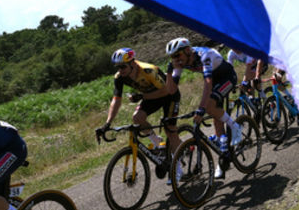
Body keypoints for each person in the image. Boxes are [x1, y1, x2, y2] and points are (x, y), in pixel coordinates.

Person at [165, 38, 241, 169]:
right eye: (172, 57)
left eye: (177, 55)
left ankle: (235, 127)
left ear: (187, 50)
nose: (176, 59)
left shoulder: (204, 55)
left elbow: (208, 84)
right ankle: (223, 157)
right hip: (215, 80)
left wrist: (201, 108)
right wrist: (169, 72)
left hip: (227, 77)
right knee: (216, 117)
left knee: (209, 107)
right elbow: (171, 90)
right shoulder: (180, 62)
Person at [101, 47, 183, 155]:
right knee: (137, 118)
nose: (120, 70)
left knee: (170, 130)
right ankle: (157, 142)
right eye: (118, 67)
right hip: (151, 97)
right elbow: (116, 100)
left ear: (133, 63)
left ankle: (178, 159)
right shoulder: (119, 77)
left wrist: (141, 96)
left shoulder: (148, 70)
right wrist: (108, 123)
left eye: (123, 66)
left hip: (169, 95)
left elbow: (165, 91)